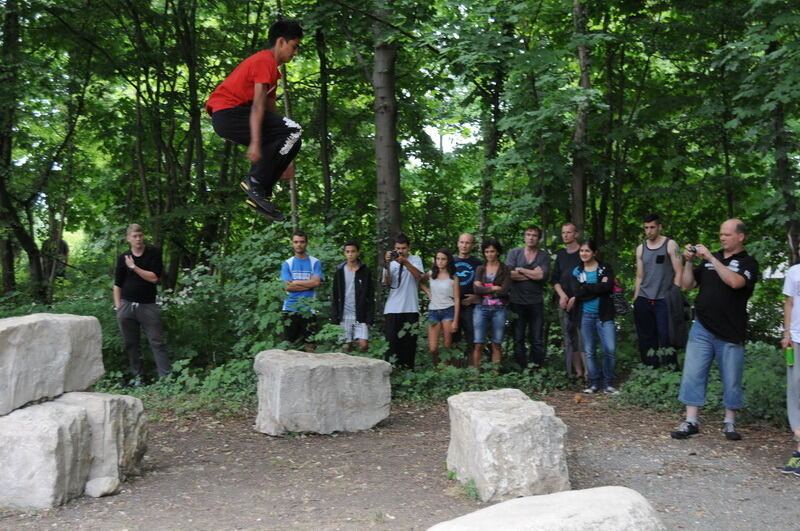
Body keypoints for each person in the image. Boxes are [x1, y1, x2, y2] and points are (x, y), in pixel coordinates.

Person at [205, 19, 304, 222]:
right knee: (294, 129)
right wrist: (256, 143)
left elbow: (272, 114)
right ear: (280, 42)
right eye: (294, 47)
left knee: (294, 139)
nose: (295, 53)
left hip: (233, 117)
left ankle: (260, 194)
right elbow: (258, 106)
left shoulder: (273, 73)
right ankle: (255, 182)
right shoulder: (263, 61)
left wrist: (283, 158)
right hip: (228, 113)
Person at [671, 219, 759, 441]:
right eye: (721, 234)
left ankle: (729, 422)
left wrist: (710, 258)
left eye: (727, 234)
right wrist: (689, 262)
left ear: (740, 237)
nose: (722, 238)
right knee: (693, 374)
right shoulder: (713, 259)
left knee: (731, 379)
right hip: (702, 326)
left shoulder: (748, 262)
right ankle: (691, 421)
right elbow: (687, 284)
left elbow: (735, 283)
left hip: (731, 330)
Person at [113, 224, 171, 385]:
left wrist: (134, 267)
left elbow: (154, 278)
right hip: (126, 306)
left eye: (140, 235)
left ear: (143, 236)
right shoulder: (123, 257)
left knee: (157, 342)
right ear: (128, 239)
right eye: (134, 236)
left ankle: (166, 379)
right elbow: (117, 284)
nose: (138, 239)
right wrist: (118, 307)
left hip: (148, 306)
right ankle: (138, 378)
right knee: (131, 344)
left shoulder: (153, 253)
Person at [567, 240, 618, 394]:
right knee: (589, 350)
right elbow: (577, 292)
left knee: (610, 348)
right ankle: (594, 383)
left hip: (604, 315)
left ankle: (608, 383)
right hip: (585, 315)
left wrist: (587, 289)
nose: (584, 253)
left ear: (594, 253)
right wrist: (596, 288)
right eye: (582, 250)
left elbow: (607, 286)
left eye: (587, 251)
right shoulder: (577, 271)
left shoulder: (604, 268)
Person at [633, 214, 683, 368]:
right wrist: (635, 298)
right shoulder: (641, 248)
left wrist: (674, 294)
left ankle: (671, 370)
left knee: (667, 336)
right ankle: (650, 369)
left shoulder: (671, 245)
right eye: (646, 228)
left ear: (659, 227)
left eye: (652, 227)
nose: (649, 231)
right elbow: (640, 275)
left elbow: (679, 271)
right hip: (644, 298)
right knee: (646, 338)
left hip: (664, 299)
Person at [506, 225, 551, 369]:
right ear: (524, 236)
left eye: (534, 235)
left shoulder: (543, 255)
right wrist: (532, 274)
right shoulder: (514, 253)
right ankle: (521, 369)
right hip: (516, 302)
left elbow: (542, 276)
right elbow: (508, 275)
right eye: (528, 234)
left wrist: (521, 270)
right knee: (518, 338)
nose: (531, 237)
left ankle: (535, 368)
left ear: (538, 238)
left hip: (535, 302)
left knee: (536, 339)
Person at [383, 233, 424, 370]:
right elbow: (387, 283)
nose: (401, 251)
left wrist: (405, 262)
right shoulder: (391, 261)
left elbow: (419, 276)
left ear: (409, 247)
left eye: (404, 248)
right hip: (392, 309)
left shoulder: (415, 259)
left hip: (410, 308)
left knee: (409, 347)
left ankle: (408, 374)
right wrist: (387, 264)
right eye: (398, 248)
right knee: (391, 346)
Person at [551, 222, 586, 379]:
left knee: (583, 337)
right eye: (563, 232)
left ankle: (588, 372)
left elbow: (589, 279)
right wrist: (562, 295)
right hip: (564, 302)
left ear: (576, 234)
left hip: (582, 301)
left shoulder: (584, 253)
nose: (565, 235)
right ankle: (575, 372)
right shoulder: (561, 255)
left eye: (568, 232)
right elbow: (555, 278)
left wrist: (575, 297)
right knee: (569, 337)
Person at [471, 238, 512, 369]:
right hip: (481, 308)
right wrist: (494, 288)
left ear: (498, 252)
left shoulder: (505, 269)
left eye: (492, 251)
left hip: (499, 308)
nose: (489, 254)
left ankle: (494, 377)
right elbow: (476, 290)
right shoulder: (480, 269)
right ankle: (475, 377)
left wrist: (484, 288)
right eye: (487, 251)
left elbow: (505, 290)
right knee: (478, 343)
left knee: (497, 343)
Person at [281, 230, 323, 350]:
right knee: (289, 346)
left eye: (302, 242)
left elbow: (316, 282)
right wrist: (310, 284)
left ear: (306, 243)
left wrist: (296, 282)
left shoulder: (315, 262)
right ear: (292, 244)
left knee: (310, 345)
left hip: (309, 308)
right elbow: (287, 287)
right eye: (296, 242)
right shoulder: (287, 263)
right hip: (290, 308)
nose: (299, 244)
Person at [331, 241, 374, 353]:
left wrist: (370, 316)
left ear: (358, 253)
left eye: (353, 251)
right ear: (344, 253)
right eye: (348, 252)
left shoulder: (365, 271)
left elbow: (370, 294)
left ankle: (363, 367)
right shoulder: (339, 271)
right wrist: (335, 315)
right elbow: (335, 294)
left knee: (363, 345)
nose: (350, 254)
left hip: (360, 314)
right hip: (344, 314)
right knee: (346, 347)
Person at [421, 248, 460, 366]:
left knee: (447, 346)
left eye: (443, 259)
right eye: (438, 259)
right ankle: (437, 369)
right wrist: (427, 291)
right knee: (433, 348)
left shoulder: (453, 278)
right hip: (433, 311)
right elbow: (420, 282)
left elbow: (457, 299)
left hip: (448, 311)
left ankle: (445, 372)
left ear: (448, 261)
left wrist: (455, 321)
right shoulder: (431, 274)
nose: (440, 261)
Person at [781, 263, 800, 475]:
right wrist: (786, 333)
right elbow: (789, 303)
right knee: (795, 390)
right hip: (796, 339)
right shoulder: (794, 272)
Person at [453, 233, 483, 361]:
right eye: (462, 242)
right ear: (458, 243)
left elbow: (486, 283)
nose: (464, 245)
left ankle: (473, 372)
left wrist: (477, 297)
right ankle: (455, 372)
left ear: (472, 245)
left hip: (471, 306)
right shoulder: (450, 261)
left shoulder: (478, 263)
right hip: (453, 306)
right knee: (454, 340)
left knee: (473, 340)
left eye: (467, 243)